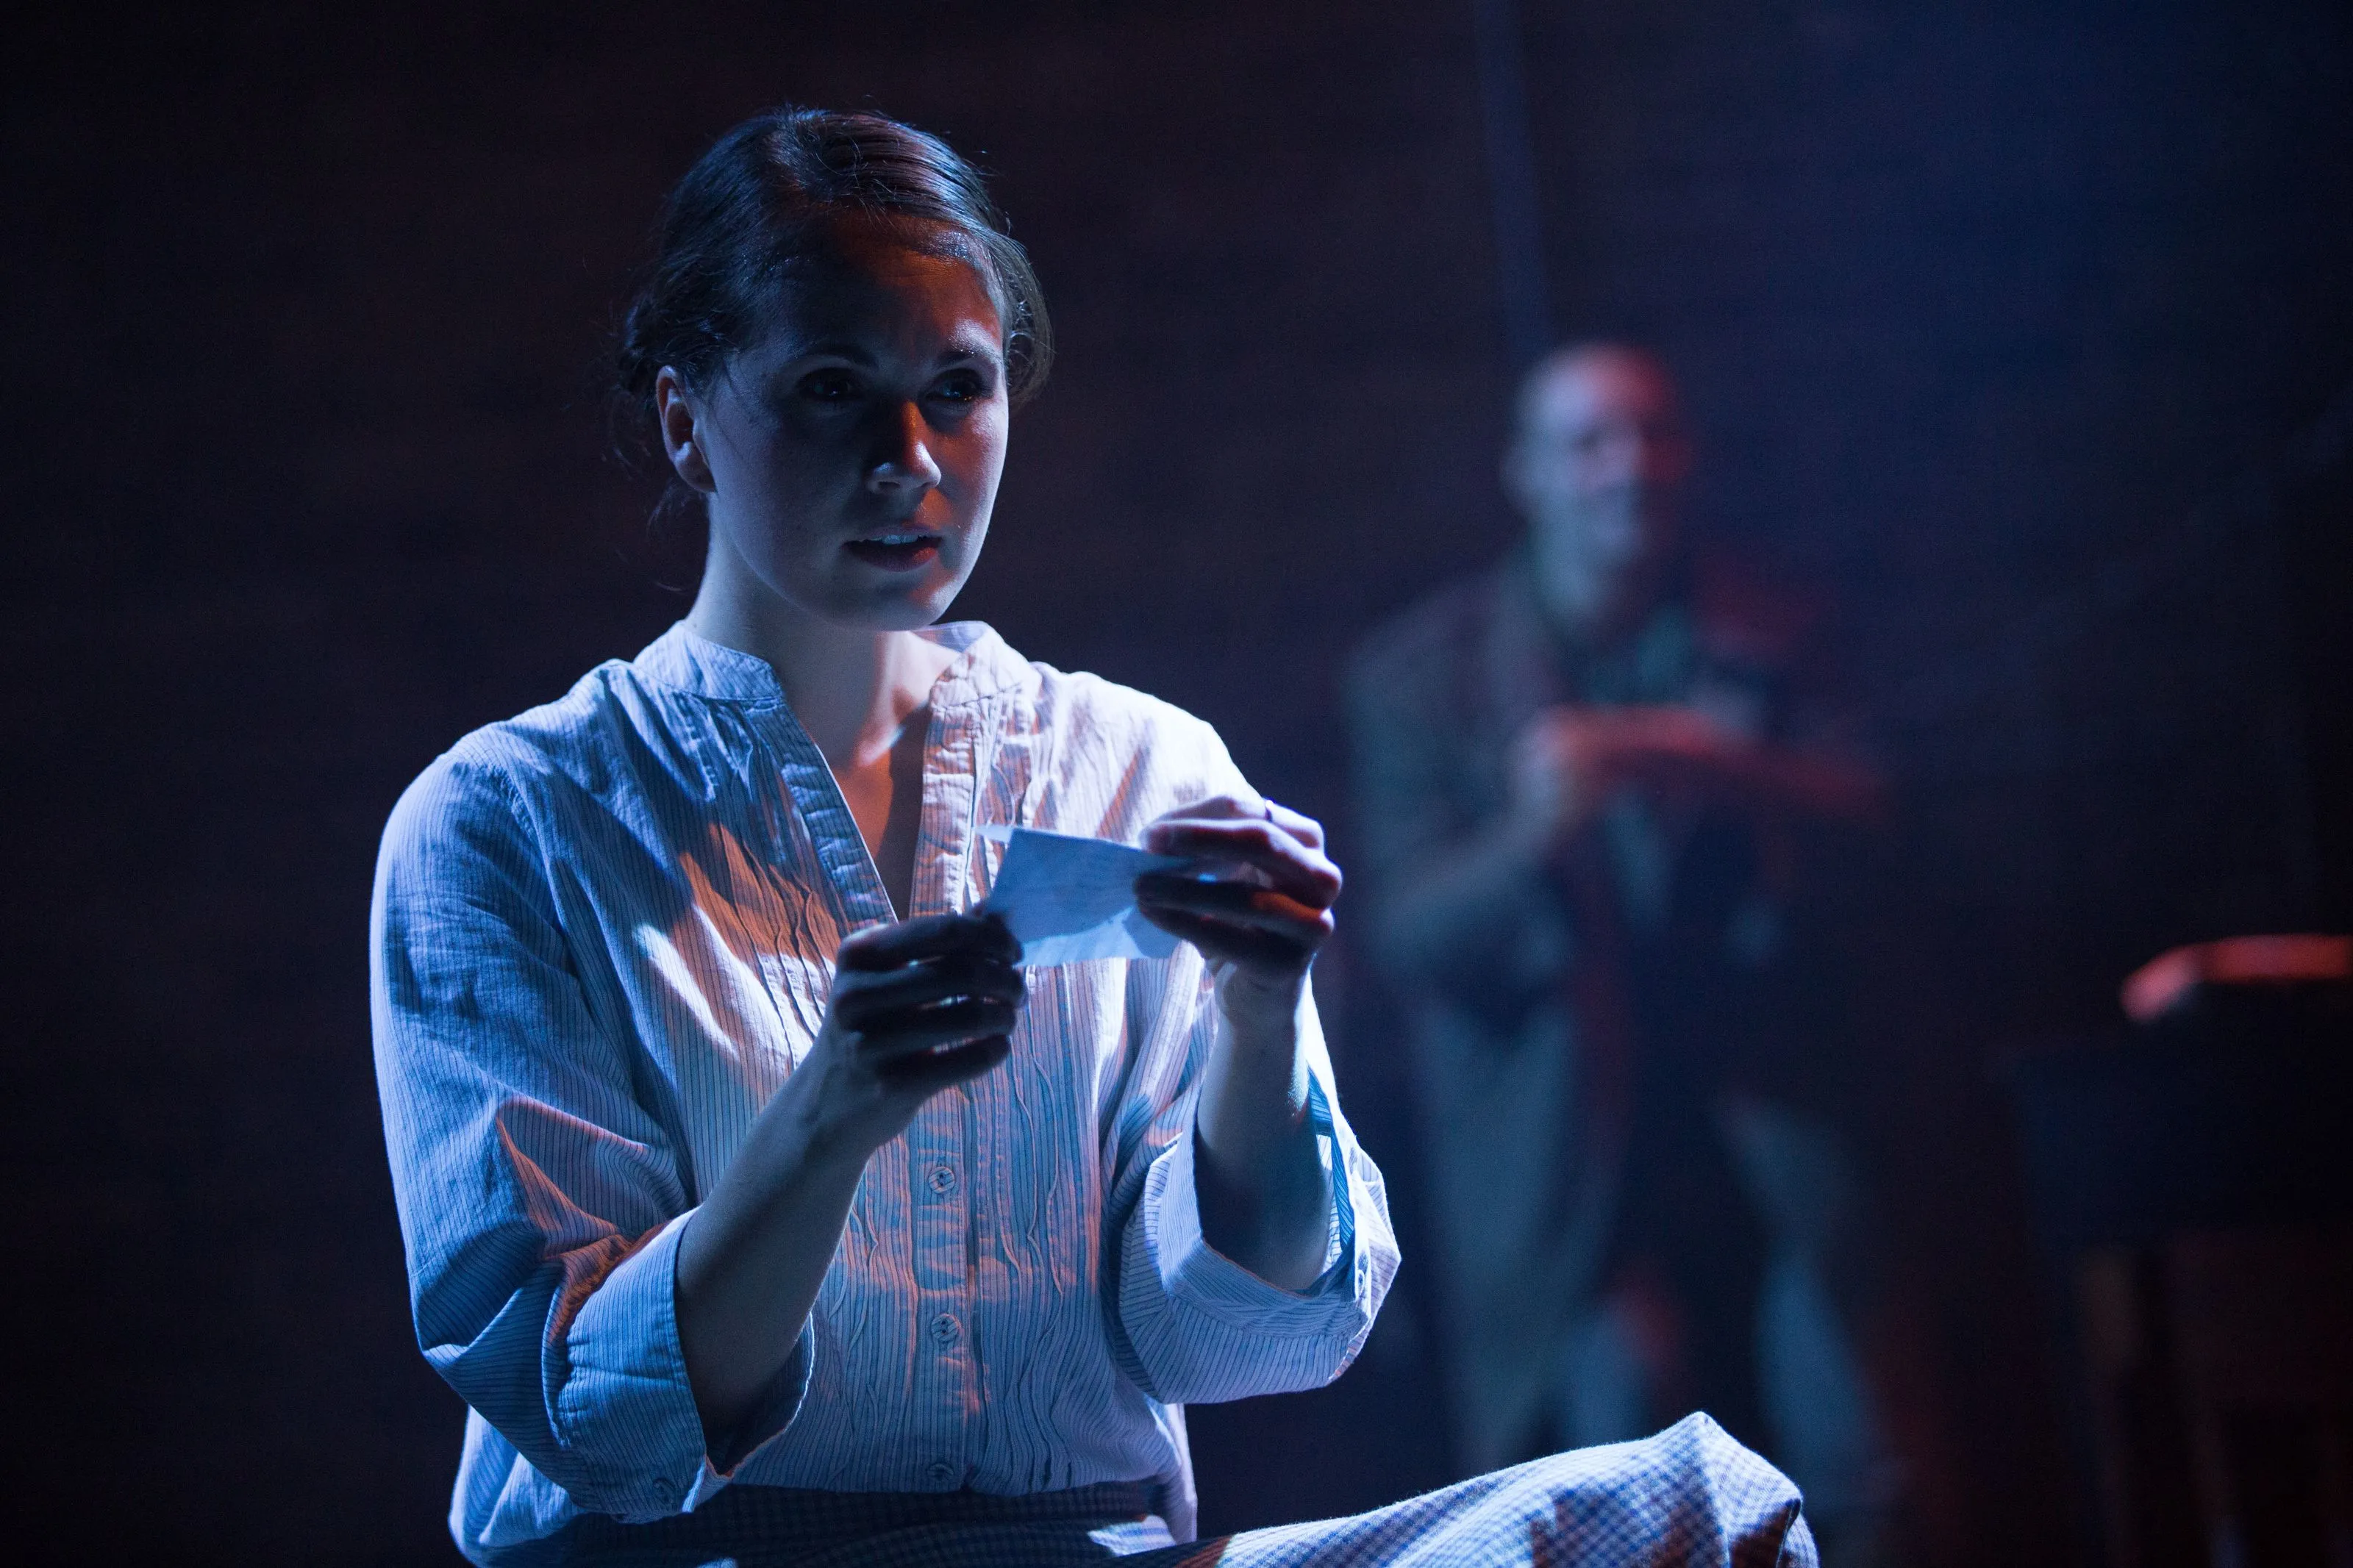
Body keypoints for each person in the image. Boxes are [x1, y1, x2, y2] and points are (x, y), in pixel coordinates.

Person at [371, 112, 1817, 1567]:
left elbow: (1227, 1335)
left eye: (957, 389)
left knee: (1702, 1515)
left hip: (1092, 1550)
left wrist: (1260, 1017)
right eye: (831, 387)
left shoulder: (1138, 769)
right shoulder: (509, 824)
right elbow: (590, 1412)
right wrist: (828, 1117)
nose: (908, 459)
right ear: (686, 419)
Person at [1348, 347, 1894, 1559]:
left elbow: (1879, 823)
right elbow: (1407, 935)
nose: (1628, 469)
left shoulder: (1775, 634)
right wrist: (1537, 830)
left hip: (1773, 1134)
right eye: (1591, 443)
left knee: (1853, 1459)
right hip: (1567, 1169)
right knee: (1616, 1460)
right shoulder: (1428, 675)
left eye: (1652, 436)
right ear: (1529, 474)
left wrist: (1708, 762)